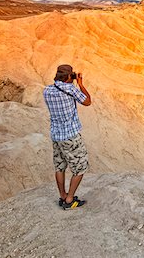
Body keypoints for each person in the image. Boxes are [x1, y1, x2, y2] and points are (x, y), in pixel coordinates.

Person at [43, 64, 92, 210]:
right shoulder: (70, 89)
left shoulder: (47, 90)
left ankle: (62, 195)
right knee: (80, 167)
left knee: (60, 166)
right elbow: (88, 101)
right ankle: (70, 200)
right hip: (70, 136)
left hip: (56, 135)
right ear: (69, 77)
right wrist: (80, 84)